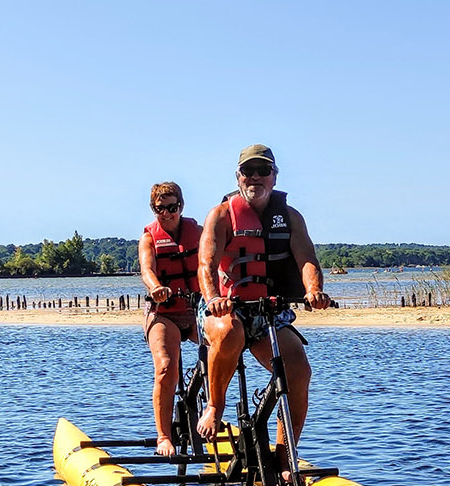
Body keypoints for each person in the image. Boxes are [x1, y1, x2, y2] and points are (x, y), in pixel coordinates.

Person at [194, 145, 332, 468]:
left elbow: (307, 259)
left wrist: (314, 290)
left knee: (298, 368)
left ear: (274, 175)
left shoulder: (291, 217)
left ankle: (286, 457)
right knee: (229, 333)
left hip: (268, 310)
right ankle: (214, 406)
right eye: (248, 171)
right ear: (238, 176)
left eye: (262, 170)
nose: (255, 177)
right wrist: (214, 298)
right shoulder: (221, 215)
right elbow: (206, 264)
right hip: (226, 308)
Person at [139, 182, 203, 456]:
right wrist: (156, 287)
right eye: (159, 208)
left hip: (196, 309)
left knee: (225, 351)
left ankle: (210, 411)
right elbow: (147, 269)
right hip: (163, 313)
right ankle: (163, 436)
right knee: (166, 366)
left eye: (171, 207)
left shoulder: (197, 232)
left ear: (181, 206)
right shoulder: (149, 238)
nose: (166, 213)